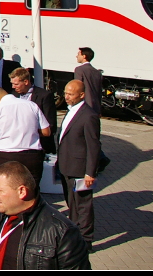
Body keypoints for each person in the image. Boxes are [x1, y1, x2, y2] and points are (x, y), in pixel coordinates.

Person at [57, 79, 100, 250]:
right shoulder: (71, 111)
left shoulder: (89, 116)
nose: (66, 97)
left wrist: (90, 172)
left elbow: (93, 146)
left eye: (71, 94)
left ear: (81, 95)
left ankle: (85, 240)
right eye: (65, 93)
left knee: (83, 206)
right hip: (66, 166)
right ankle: (75, 234)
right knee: (72, 204)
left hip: (80, 170)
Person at [0, 86, 51, 186]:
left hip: (6, 156)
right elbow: (46, 132)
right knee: (32, 189)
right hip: (32, 155)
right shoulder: (31, 105)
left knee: (6, 189)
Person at [73, 47, 110, 173]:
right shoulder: (96, 72)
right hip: (94, 107)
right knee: (92, 136)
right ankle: (100, 158)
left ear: (84, 56)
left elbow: (77, 88)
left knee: (82, 136)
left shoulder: (79, 70)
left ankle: (100, 158)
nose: (76, 56)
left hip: (83, 107)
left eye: (78, 54)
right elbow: (98, 92)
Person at [10, 67, 58, 155]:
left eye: (16, 84)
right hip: (18, 146)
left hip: (39, 145)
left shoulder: (44, 96)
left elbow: (51, 124)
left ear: (26, 82)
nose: (13, 87)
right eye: (12, 84)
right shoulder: (14, 95)